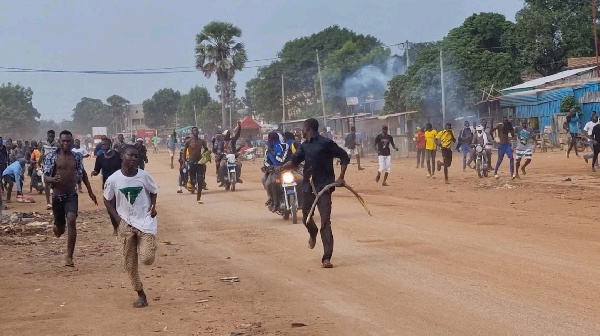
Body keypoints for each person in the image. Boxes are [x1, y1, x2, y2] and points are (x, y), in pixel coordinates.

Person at [281, 118, 349, 269]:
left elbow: (344, 156)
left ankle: (326, 258)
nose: (301, 130)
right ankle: (313, 233)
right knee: (306, 218)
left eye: (303, 128)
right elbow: (295, 160)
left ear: (308, 128)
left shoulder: (326, 143)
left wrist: (341, 177)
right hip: (308, 187)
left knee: (325, 221)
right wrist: (283, 167)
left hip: (324, 187)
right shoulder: (304, 146)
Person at [103, 145, 158, 308]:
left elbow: (153, 191)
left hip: (144, 221)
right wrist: (118, 220)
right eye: (131, 156)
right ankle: (141, 294)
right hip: (125, 224)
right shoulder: (113, 179)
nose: (134, 159)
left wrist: (153, 206)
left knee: (147, 258)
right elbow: (107, 199)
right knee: (129, 263)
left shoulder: (144, 176)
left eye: (137, 156)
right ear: (122, 157)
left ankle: (150, 244)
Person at [43, 130, 97, 267]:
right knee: (60, 230)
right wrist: (52, 179)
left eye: (68, 141)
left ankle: (69, 257)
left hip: (71, 195)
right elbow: (45, 177)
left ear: (72, 142)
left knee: (72, 220)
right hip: (57, 196)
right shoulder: (52, 157)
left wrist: (90, 192)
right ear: (59, 142)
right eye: (63, 141)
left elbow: (83, 174)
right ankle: (57, 226)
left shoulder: (77, 157)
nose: (66, 143)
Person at [262, 132, 291, 211]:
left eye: (270, 141)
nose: (269, 143)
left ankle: (302, 201)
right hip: (274, 170)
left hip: (287, 168)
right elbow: (266, 162)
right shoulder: (267, 150)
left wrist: (273, 153)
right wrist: (269, 167)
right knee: (271, 182)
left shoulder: (285, 146)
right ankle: (274, 201)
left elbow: (282, 160)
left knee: (300, 179)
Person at [184, 127, 209, 203]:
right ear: (192, 132)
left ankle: (199, 197)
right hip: (191, 161)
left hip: (199, 161)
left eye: (197, 130)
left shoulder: (202, 141)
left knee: (200, 179)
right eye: (194, 130)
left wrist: (206, 156)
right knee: (192, 179)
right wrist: (184, 160)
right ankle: (192, 182)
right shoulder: (188, 141)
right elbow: (184, 150)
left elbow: (206, 149)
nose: (196, 132)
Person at [42, 130, 59, 210]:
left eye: (52, 136)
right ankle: (48, 203)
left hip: (55, 166)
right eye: (49, 136)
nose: (50, 138)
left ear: (54, 136)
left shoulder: (57, 145)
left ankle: (55, 202)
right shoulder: (43, 144)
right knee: (46, 183)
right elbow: (42, 155)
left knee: (56, 183)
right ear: (47, 136)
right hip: (46, 166)